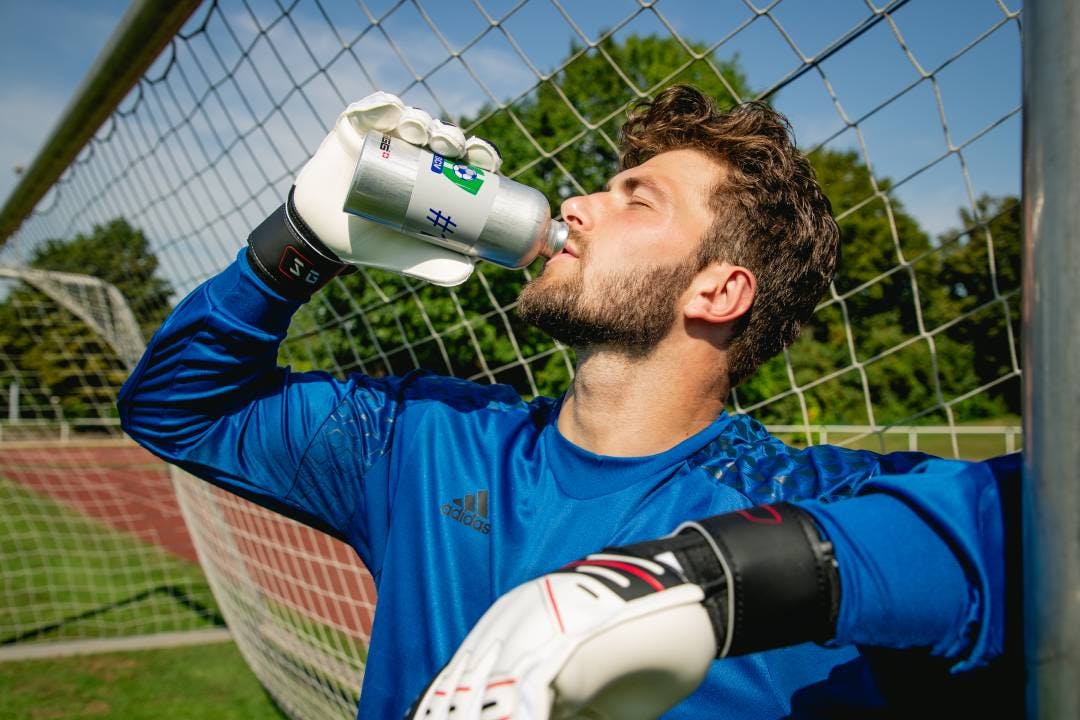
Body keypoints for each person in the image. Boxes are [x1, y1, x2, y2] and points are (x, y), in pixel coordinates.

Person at [118, 85, 1017, 719]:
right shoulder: (427, 438)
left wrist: (709, 577)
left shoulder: (809, 504)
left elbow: (1029, 528)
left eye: (637, 199)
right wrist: (301, 242)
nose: (578, 204)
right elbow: (178, 409)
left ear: (718, 291)